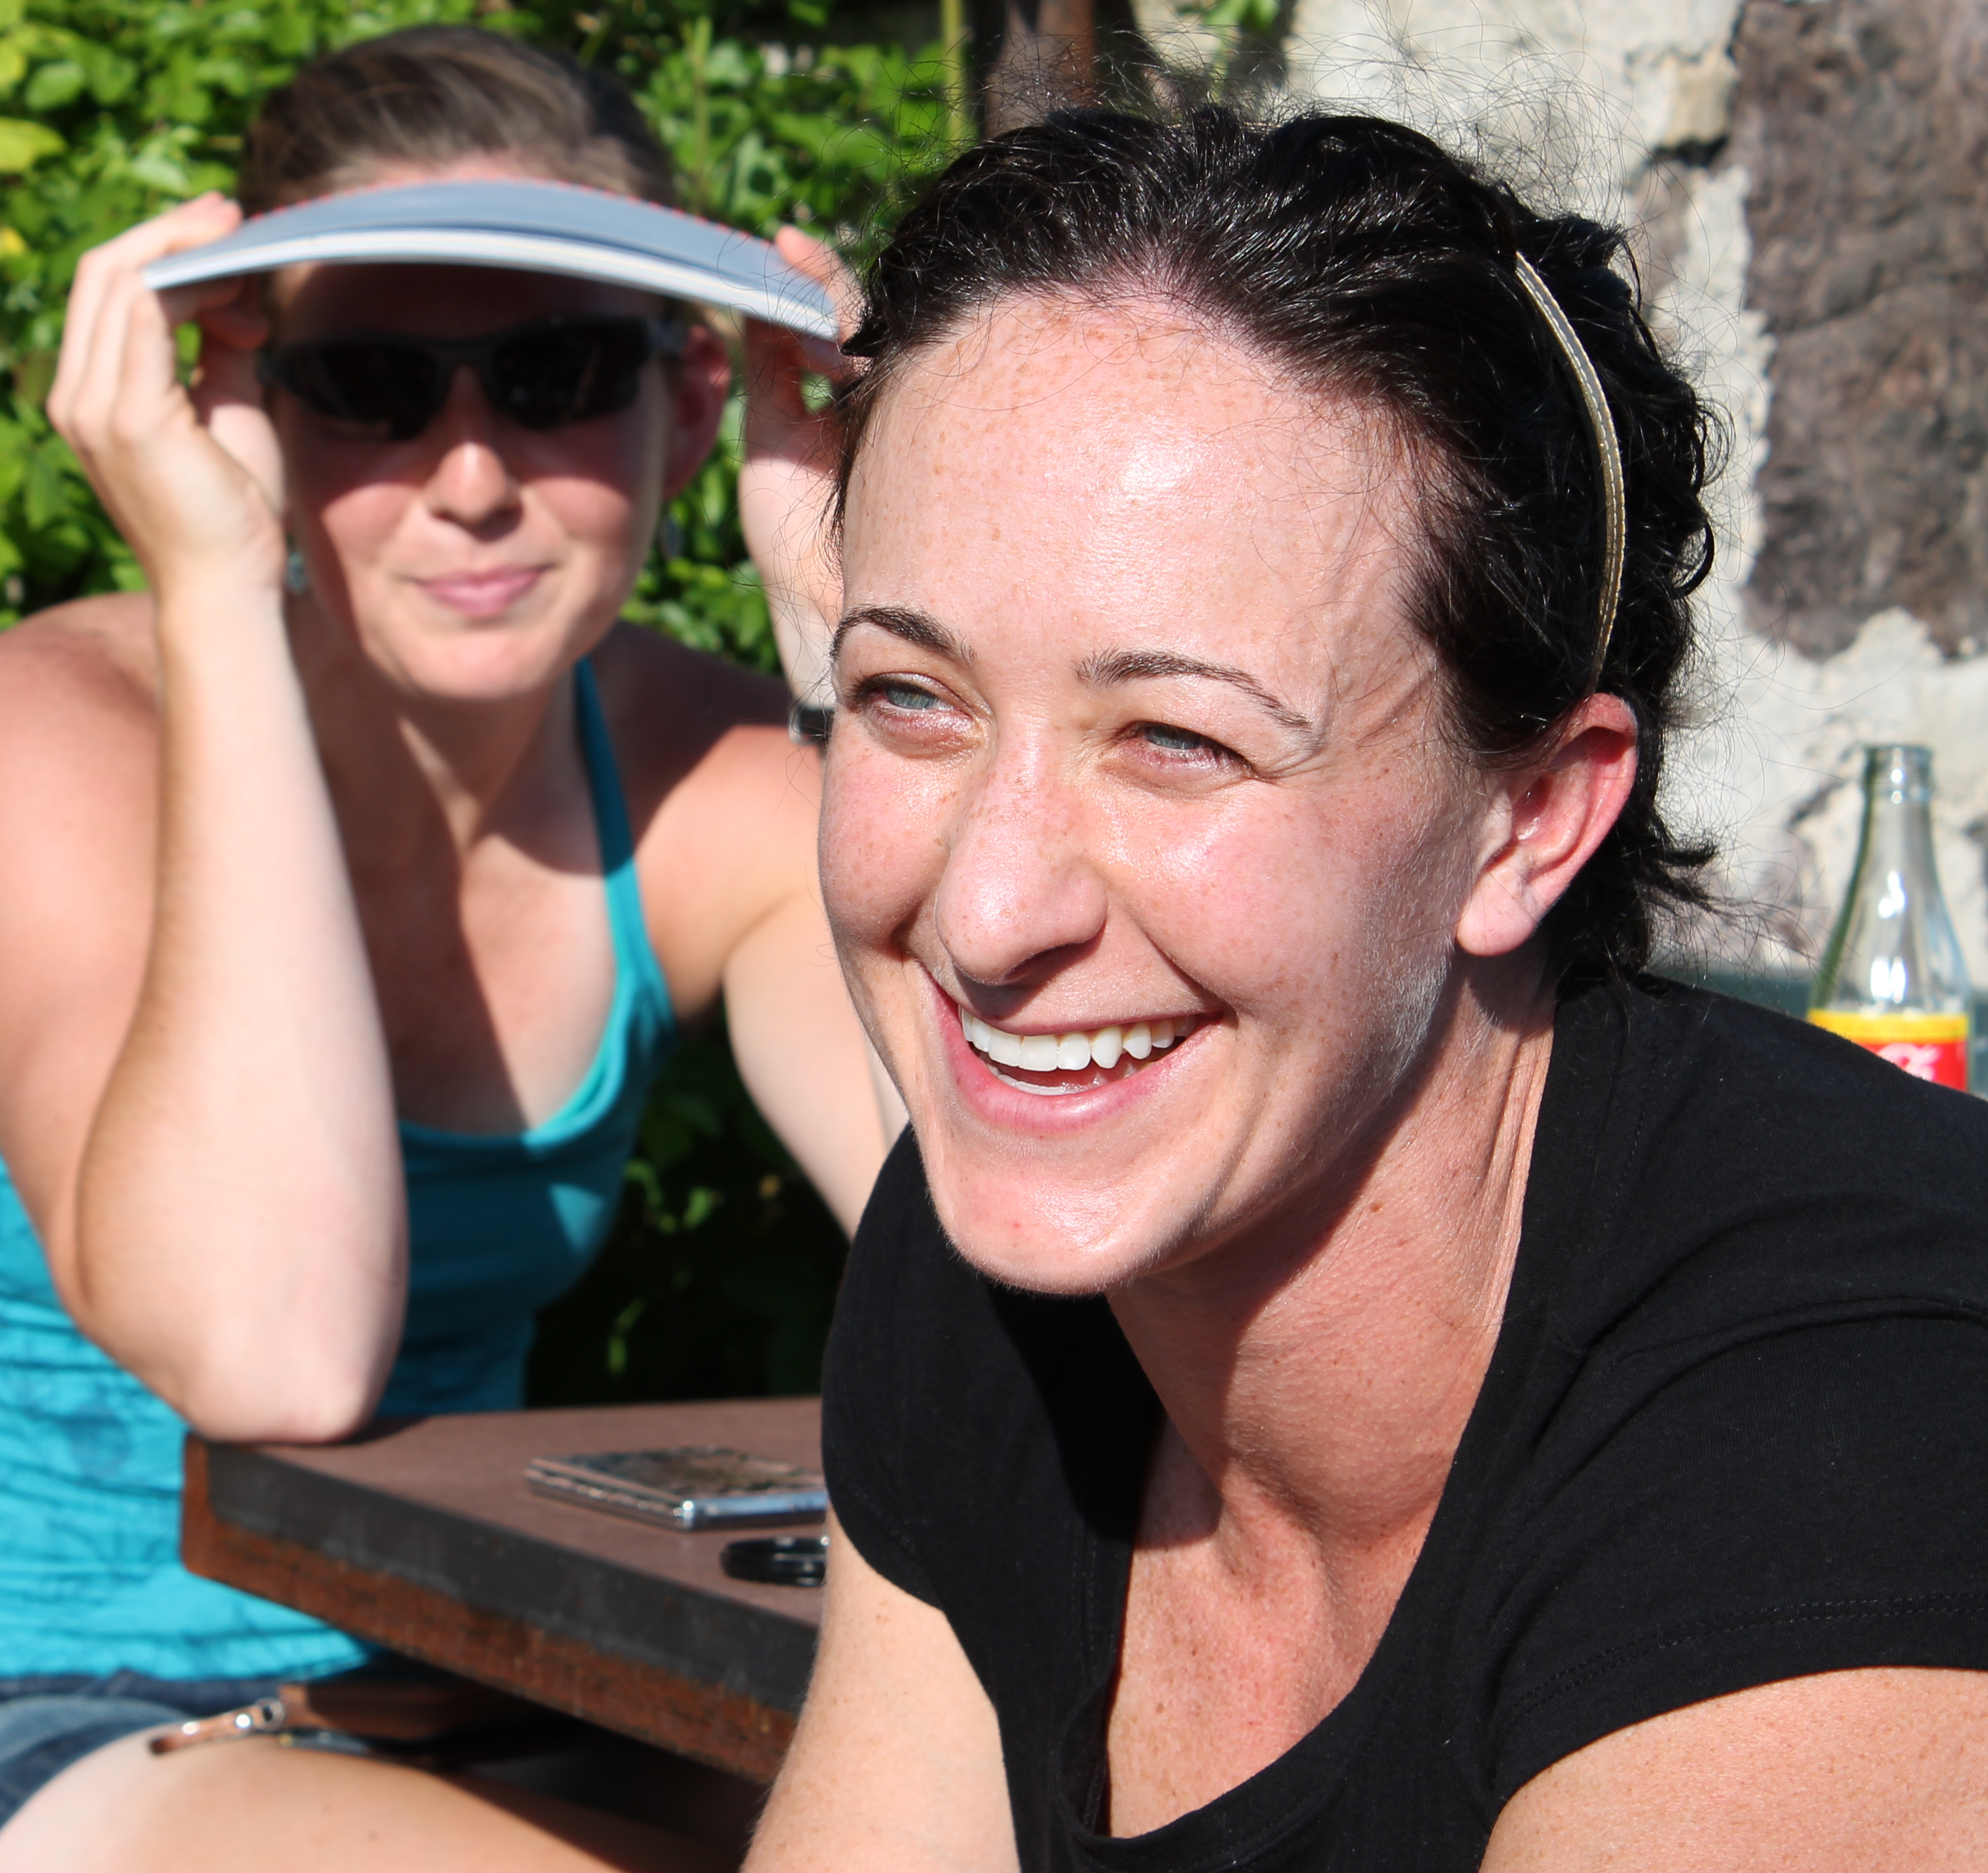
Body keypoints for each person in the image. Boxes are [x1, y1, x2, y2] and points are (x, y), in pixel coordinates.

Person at [752, 107, 1988, 1872]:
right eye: (909, 699)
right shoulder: (995, 1275)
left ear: (1529, 816)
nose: (989, 909)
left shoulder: (1844, 1420)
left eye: (1176, 740)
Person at [0, 26, 887, 1873]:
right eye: (369, 385)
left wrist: (845, 625)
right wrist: (210, 586)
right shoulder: (35, 744)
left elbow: (1010, 1247)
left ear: (688, 400)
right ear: (243, 413)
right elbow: (269, 1350)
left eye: (557, 371)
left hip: (469, 1694)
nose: (472, 476)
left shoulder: (702, 778)